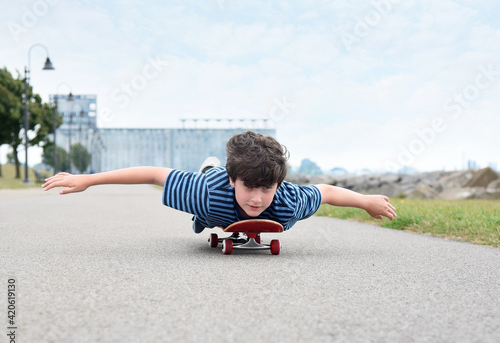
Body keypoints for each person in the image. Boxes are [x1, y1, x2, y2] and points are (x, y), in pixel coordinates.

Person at [42, 131, 396, 232]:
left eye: (265, 189)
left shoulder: (287, 200)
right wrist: (89, 179)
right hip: (212, 190)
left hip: (226, 187)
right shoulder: (208, 191)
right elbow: (153, 174)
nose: (257, 199)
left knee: (262, 196)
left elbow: (327, 191)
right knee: (205, 184)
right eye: (250, 187)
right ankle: (212, 167)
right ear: (234, 180)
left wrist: (367, 201)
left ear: (278, 184)